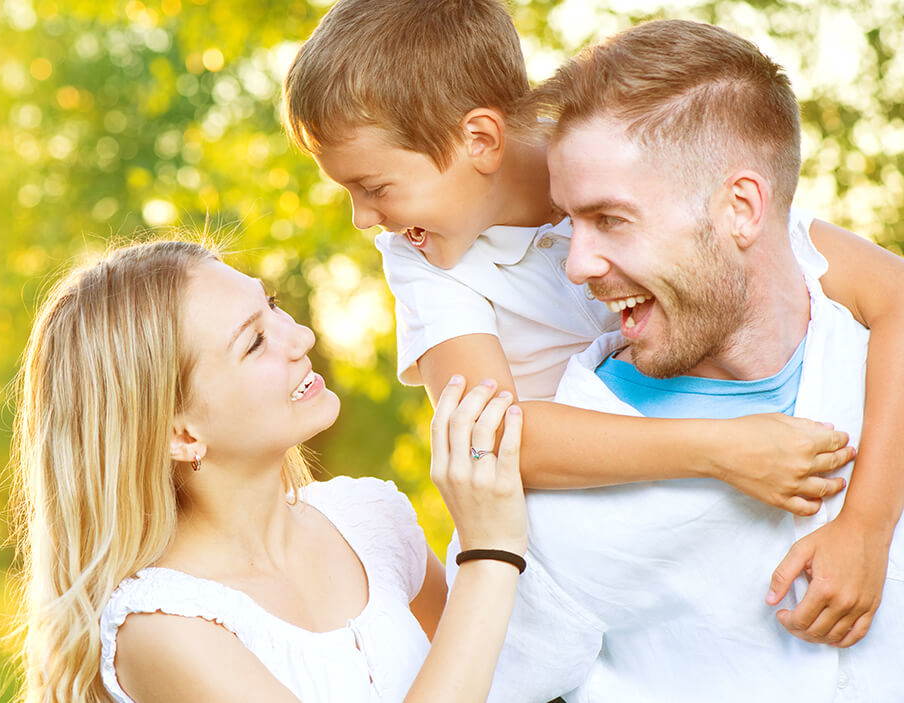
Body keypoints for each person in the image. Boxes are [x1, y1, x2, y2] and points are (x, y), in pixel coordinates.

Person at [284, 0, 904, 643]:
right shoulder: (424, 260)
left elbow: (886, 293)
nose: (361, 219)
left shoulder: (611, 154)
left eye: (375, 187)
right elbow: (490, 438)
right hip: (600, 535)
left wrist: (866, 523)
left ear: (480, 140)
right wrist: (723, 449)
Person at [484, 20, 904, 702]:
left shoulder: (872, 363)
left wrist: (868, 523)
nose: (577, 265)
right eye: (569, 223)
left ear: (741, 208)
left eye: (611, 219)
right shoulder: (559, 501)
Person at [7, 238, 530, 702]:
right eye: (254, 341)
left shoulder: (371, 521)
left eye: (273, 306)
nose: (299, 336)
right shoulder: (164, 629)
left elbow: (499, 677)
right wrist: (489, 555)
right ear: (180, 434)